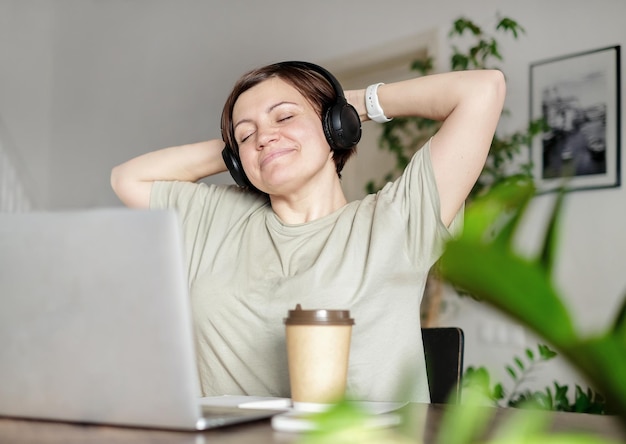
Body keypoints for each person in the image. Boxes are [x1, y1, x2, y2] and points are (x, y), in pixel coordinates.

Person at [111, 60, 505, 402]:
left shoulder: (397, 218)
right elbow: (128, 178)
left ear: (335, 126)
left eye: (285, 117)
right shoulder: (219, 216)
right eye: (246, 134)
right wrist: (238, 149)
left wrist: (357, 107)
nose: (264, 136)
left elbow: (482, 89)